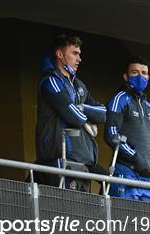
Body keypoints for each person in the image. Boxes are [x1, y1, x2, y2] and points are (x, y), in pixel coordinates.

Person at [35, 34, 107, 191]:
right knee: (62, 213)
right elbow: (75, 117)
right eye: (74, 53)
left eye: (79, 54)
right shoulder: (51, 81)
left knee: (82, 213)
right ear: (60, 54)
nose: (79, 59)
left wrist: (81, 107)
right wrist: (83, 113)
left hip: (83, 163)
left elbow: (103, 113)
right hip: (60, 162)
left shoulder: (80, 85)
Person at [104, 55, 150, 201]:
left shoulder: (149, 107)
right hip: (126, 173)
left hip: (147, 179)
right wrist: (136, 157)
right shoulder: (119, 99)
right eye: (135, 72)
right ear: (125, 76)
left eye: (144, 73)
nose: (140, 76)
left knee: (144, 223)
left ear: (148, 77)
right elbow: (112, 134)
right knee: (124, 221)